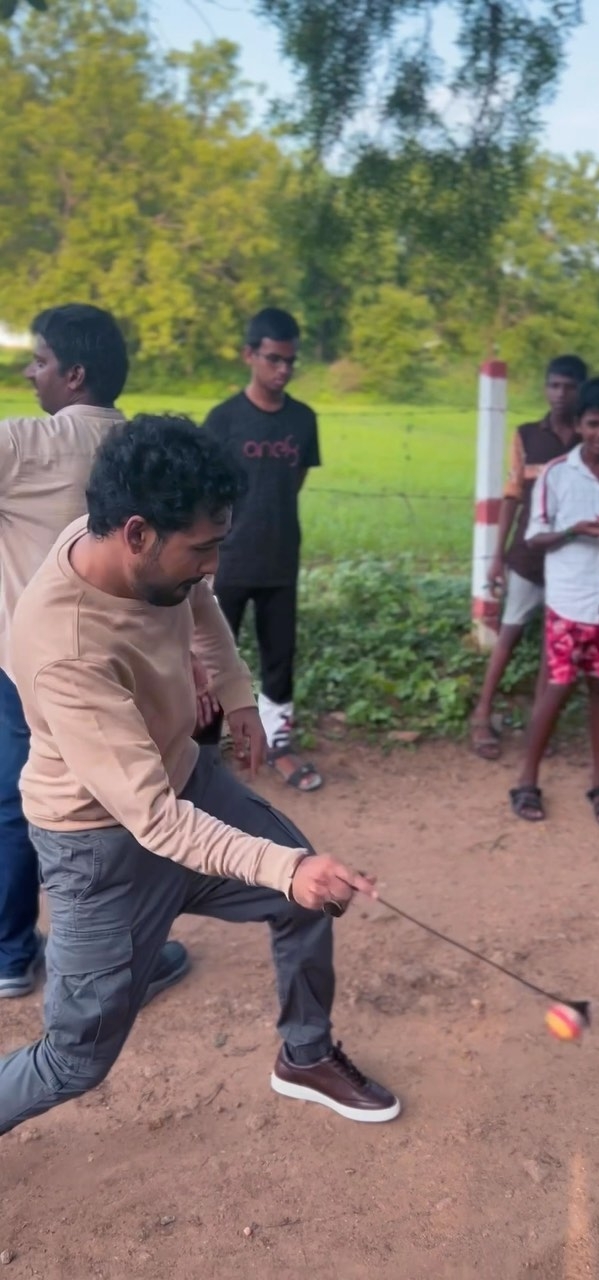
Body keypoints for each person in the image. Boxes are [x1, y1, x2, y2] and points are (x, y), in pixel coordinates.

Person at [0, 415, 400, 1135]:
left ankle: (304, 1056)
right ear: (137, 534)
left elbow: (201, 600)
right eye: (203, 547)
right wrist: (286, 866)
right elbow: (152, 821)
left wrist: (237, 694)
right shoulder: (66, 647)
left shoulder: (120, 550)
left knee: (305, 897)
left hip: (184, 782)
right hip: (102, 848)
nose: (214, 564)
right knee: (73, 1061)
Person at [0, 304, 188, 1000]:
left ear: (73, 374)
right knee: (129, 798)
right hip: (133, 663)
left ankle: (15, 953)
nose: (30, 373)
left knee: (28, 802)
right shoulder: (147, 449)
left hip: (35, 669)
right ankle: (130, 953)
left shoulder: (25, 445)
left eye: (40, 361)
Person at [510, 378, 599, 825]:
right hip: (570, 603)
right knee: (558, 688)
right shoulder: (556, 474)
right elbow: (535, 536)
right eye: (593, 424)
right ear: (579, 423)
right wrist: (577, 530)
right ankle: (526, 780)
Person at [204, 308, 322, 792]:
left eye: (290, 361)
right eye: (273, 359)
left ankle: (279, 746)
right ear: (249, 355)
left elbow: (292, 482)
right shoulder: (223, 420)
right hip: (226, 560)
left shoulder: (303, 419)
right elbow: (204, 491)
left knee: (280, 656)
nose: (283, 370)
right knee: (212, 658)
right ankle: (204, 756)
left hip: (279, 560)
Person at [470, 355, 588, 760]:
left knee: (552, 648)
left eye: (569, 387)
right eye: (554, 386)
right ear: (545, 388)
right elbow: (511, 498)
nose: (560, 394)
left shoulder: (589, 439)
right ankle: (482, 715)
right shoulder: (526, 436)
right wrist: (498, 556)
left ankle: (540, 725)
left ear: (581, 391)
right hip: (527, 557)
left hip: (572, 562)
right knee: (510, 633)